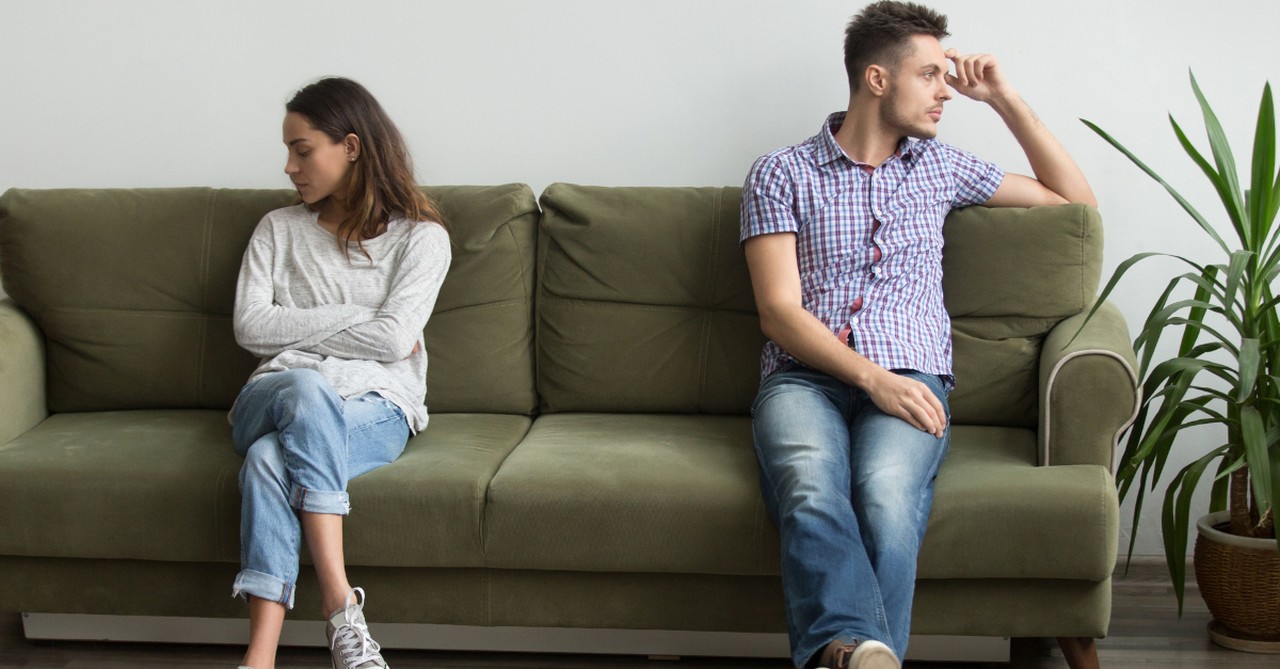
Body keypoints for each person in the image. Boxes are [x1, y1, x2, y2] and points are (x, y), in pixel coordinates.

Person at [739, 3, 1097, 669]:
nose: (946, 90)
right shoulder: (779, 173)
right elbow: (780, 313)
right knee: (810, 482)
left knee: (884, 493)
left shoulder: (939, 166)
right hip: (804, 379)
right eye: (930, 75)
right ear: (877, 79)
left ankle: (844, 655)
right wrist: (872, 378)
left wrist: (1005, 99)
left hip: (914, 375)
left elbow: (1076, 205)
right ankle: (863, 654)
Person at [229, 77, 451, 669]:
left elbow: (394, 339)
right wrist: (358, 315)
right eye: (288, 151)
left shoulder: (422, 241)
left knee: (269, 461)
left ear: (350, 147)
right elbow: (250, 327)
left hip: (378, 405)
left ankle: (259, 657)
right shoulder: (276, 230)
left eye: (302, 150)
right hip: (272, 395)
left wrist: (305, 323)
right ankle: (338, 605)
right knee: (305, 387)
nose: (288, 166)